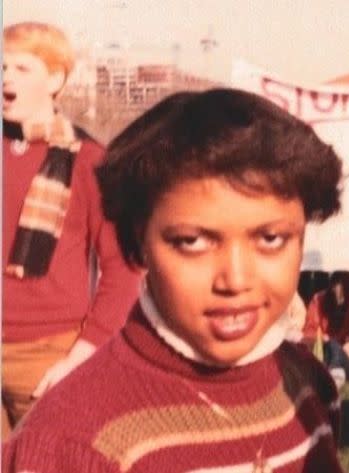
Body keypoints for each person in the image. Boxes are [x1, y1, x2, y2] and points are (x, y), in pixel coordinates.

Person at [2, 88, 345, 472]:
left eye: (270, 239)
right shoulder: (72, 444)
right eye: (192, 242)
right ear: (139, 241)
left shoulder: (307, 384)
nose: (235, 280)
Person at [2, 22, 141, 438]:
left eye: (22, 69)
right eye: (2, 66)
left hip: (49, 354)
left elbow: (124, 270)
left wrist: (79, 358)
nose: (6, 77)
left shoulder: (90, 160)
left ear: (56, 79)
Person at [303, 271, 349, 383]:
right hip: (324, 349)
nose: (338, 304)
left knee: (337, 346)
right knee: (332, 344)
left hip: (347, 351)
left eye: (341, 302)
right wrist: (322, 338)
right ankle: (334, 372)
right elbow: (308, 331)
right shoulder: (318, 300)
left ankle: (335, 372)